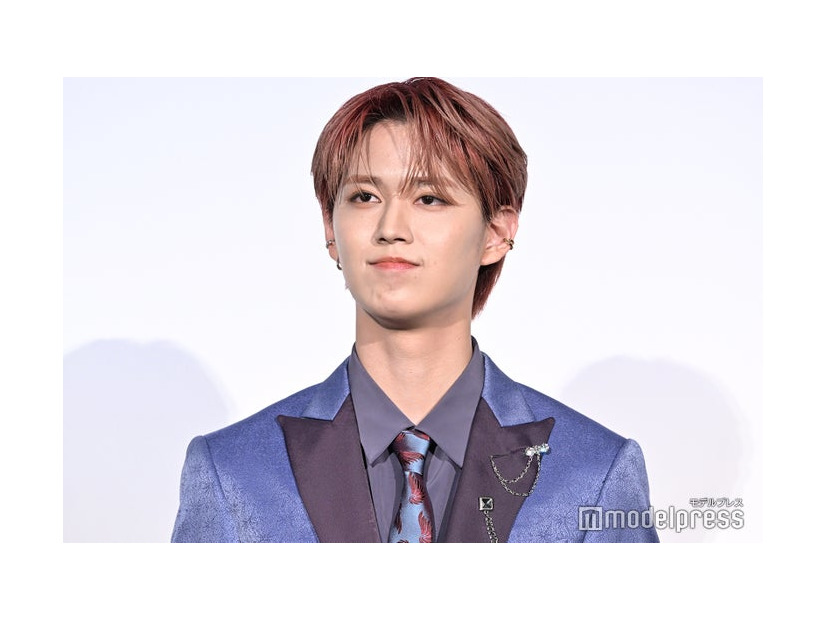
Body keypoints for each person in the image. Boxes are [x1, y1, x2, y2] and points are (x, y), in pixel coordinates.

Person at [171, 77, 658, 543]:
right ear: (330, 228)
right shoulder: (232, 472)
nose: (391, 227)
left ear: (496, 232)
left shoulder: (594, 472)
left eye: (429, 198)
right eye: (364, 196)